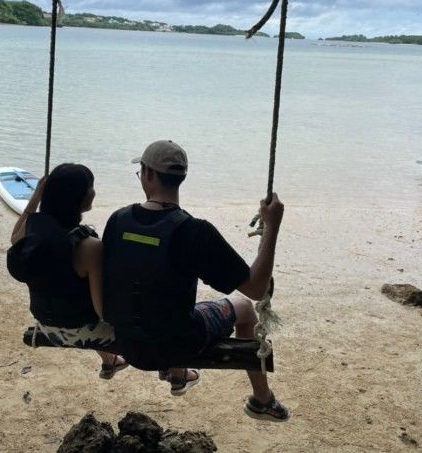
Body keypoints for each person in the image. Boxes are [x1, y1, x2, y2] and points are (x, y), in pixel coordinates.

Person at [102, 140, 289, 420]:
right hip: (177, 346)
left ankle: (179, 376)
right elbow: (256, 288)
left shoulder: (117, 221)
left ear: (148, 174)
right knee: (244, 307)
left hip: (127, 344)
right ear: (182, 178)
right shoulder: (195, 232)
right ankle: (262, 399)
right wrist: (272, 227)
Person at [7, 163, 128, 379]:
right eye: (91, 186)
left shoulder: (36, 232)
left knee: (69, 297)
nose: (94, 191)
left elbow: (14, 237)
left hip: (46, 326)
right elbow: (101, 312)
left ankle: (109, 361)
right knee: (143, 325)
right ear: (80, 197)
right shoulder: (90, 246)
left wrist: (36, 198)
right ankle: (178, 372)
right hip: (79, 330)